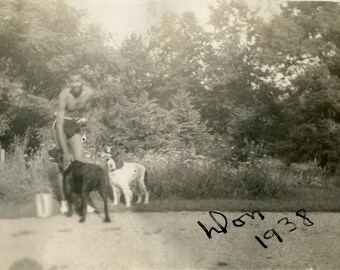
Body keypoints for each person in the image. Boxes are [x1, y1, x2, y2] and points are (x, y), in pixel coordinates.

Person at [52, 70, 94, 214]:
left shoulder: (89, 93)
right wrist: (64, 151)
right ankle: (64, 202)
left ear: (82, 80)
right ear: (69, 83)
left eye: (77, 80)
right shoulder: (65, 95)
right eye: (72, 81)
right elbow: (58, 125)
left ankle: (84, 201)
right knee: (63, 164)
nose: (75, 84)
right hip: (61, 127)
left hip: (74, 126)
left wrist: (85, 120)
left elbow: (87, 111)